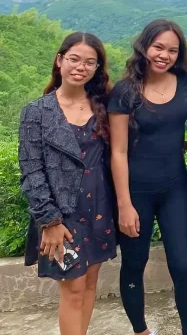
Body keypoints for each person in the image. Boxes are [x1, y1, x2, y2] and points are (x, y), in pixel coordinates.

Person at [19, 32, 116, 335]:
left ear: (97, 68)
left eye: (90, 62)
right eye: (74, 59)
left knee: (89, 285)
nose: (80, 67)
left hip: (100, 209)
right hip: (63, 217)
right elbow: (31, 172)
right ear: (59, 60)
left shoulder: (105, 107)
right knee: (72, 290)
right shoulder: (37, 112)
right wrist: (48, 221)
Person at [108, 19, 187, 335]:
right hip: (136, 193)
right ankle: (141, 330)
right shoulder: (124, 91)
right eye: (158, 47)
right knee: (134, 263)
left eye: (172, 50)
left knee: (184, 265)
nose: (165, 55)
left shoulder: (185, 82)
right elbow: (117, 152)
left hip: (175, 187)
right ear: (144, 47)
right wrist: (124, 204)